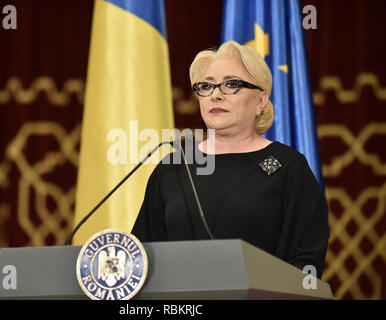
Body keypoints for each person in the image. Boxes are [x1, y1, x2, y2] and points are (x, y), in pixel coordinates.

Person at [131, 40, 329, 279]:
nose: (215, 95)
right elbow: (141, 258)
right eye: (206, 86)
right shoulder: (173, 168)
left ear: (260, 101)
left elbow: (306, 260)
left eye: (231, 84)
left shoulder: (287, 167)